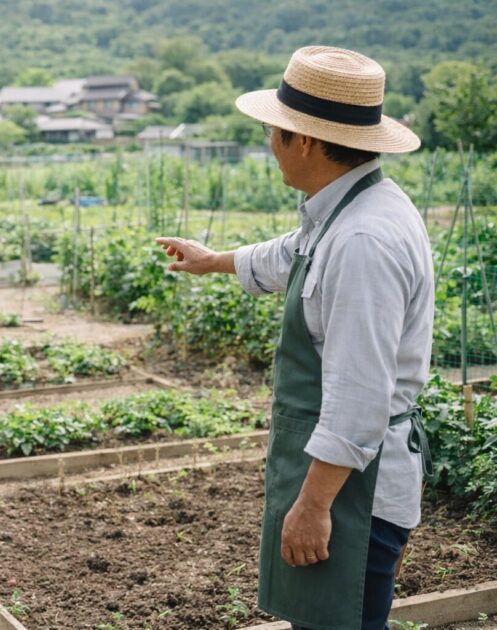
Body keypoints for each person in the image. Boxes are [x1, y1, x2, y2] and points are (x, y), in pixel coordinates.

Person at [157, 46, 433, 630]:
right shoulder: (349, 209)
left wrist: (312, 507)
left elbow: (360, 398)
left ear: (304, 141)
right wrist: (213, 262)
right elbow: (293, 253)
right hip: (347, 479)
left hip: (355, 494)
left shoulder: (364, 241)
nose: (268, 142)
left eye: (272, 131)